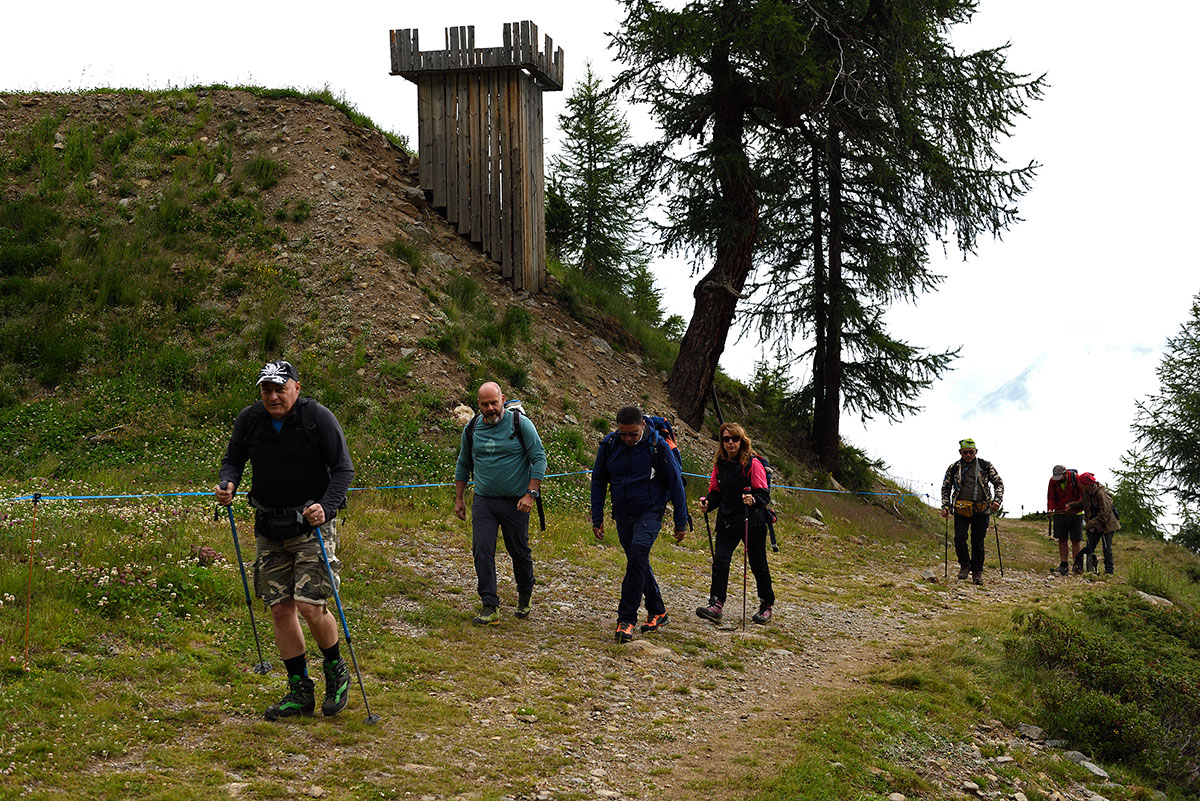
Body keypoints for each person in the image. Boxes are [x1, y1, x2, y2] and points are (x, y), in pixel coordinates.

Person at [216, 360, 355, 720]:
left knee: (310, 604)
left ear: (296, 386)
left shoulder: (317, 418)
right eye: (267, 389)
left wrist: (325, 507)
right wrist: (228, 482)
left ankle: (336, 671)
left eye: (280, 388)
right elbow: (233, 459)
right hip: (269, 525)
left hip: (312, 526)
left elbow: (343, 468)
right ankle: (299, 690)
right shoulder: (250, 420)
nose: (273, 396)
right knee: (280, 607)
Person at [590, 405, 688, 643]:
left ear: (642, 425)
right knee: (637, 561)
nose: (628, 439)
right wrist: (597, 517)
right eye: (623, 433)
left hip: (651, 510)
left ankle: (626, 619)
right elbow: (599, 481)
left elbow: (676, 484)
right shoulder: (610, 445)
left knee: (637, 554)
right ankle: (658, 610)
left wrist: (681, 521)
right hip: (623, 512)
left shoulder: (658, 446)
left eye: (633, 433)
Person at [455, 381, 546, 625]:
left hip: (516, 502)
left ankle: (525, 593)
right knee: (482, 549)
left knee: (519, 551)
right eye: (485, 405)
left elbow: (539, 459)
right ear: (479, 405)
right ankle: (490, 605)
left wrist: (530, 494)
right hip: (484, 500)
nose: (490, 408)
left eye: (494, 403)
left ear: (503, 399)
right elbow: (464, 463)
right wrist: (459, 498)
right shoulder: (472, 428)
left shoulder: (521, 424)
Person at [695, 422, 775, 625]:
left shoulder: (752, 463)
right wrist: (707, 504)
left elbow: (763, 494)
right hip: (727, 521)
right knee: (720, 561)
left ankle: (766, 604)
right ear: (721, 442)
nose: (730, 442)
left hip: (752, 521)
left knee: (758, 565)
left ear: (742, 440)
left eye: (734, 439)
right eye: (726, 439)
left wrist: (753, 500)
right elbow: (715, 493)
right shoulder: (719, 464)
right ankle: (716, 603)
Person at [940, 438, 1004, 585]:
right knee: (959, 537)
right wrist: (946, 505)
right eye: (965, 452)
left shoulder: (985, 465)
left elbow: (998, 482)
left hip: (982, 509)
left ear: (976, 451)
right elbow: (946, 487)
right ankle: (964, 564)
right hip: (961, 508)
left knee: (978, 541)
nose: (968, 455)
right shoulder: (954, 467)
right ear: (960, 452)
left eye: (971, 452)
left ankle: (977, 572)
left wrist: (997, 500)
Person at [1068, 472, 1120, 575]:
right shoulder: (1086, 493)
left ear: (1086, 484)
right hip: (1094, 527)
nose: (1079, 485)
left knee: (1107, 549)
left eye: (1081, 483)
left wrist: (1090, 523)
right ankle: (1088, 570)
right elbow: (1082, 504)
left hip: (1107, 526)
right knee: (1089, 549)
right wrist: (1072, 506)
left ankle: (1109, 572)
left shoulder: (1101, 494)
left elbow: (1105, 514)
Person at [1047, 464, 1085, 576]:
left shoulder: (1076, 478)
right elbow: (1051, 496)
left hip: (1076, 514)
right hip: (1059, 513)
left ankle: (1077, 566)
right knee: (1062, 539)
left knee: (1076, 541)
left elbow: (1083, 496)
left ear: (1065, 474)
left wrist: (1076, 506)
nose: (1057, 479)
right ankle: (1064, 565)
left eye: (1059, 477)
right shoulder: (1053, 481)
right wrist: (1050, 508)